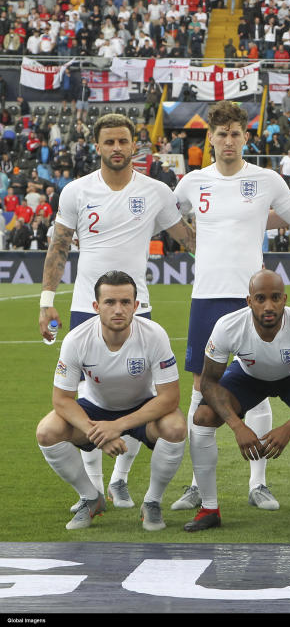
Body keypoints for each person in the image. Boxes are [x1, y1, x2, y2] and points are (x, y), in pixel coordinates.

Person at [38, 114, 194, 514]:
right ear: (98, 146)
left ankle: (120, 481)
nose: (117, 148)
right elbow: (58, 247)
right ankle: (91, 491)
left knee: (135, 394)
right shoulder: (75, 191)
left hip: (135, 304)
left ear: (134, 145)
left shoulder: (156, 191)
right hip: (84, 308)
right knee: (91, 395)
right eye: (109, 142)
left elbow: (189, 240)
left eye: (123, 141)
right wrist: (45, 300)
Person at [171, 101, 290, 514]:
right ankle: (199, 485)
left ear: (245, 137)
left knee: (261, 381)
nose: (229, 140)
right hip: (207, 296)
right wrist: (196, 246)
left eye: (236, 133)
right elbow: (173, 218)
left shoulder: (267, 180)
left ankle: (259, 483)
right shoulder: (192, 183)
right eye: (221, 134)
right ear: (210, 139)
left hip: (254, 296)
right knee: (201, 388)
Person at [183, 270, 290, 531]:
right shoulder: (228, 326)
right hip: (247, 375)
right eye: (260, 298)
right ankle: (209, 509)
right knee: (202, 417)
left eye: (275, 298)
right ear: (249, 301)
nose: (268, 306)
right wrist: (237, 426)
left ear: (285, 299)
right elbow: (208, 382)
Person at [36, 271, 186, 531]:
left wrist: (118, 426)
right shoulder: (76, 339)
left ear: (136, 306)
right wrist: (99, 433)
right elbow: (61, 400)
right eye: (110, 302)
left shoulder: (154, 335)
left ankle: (152, 501)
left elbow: (170, 396)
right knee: (47, 431)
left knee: (176, 427)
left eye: (126, 302)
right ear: (96, 306)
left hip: (141, 407)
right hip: (94, 409)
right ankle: (90, 498)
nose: (118, 309)